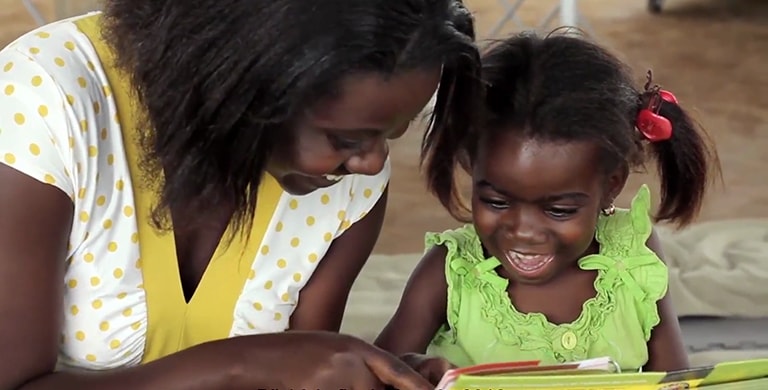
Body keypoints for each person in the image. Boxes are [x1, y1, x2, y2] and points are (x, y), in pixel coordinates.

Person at [0, 0, 482, 388]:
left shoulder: (347, 184)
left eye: (391, 136)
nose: (373, 163)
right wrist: (242, 364)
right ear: (246, 87)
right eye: (348, 139)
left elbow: (305, 371)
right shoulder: (47, 105)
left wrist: (373, 376)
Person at [376, 31, 720, 385]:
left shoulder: (632, 260)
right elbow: (374, 376)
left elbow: (677, 380)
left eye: (559, 210)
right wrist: (415, 369)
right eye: (497, 201)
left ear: (611, 185)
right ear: (470, 166)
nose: (524, 230)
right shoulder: (450, 274)